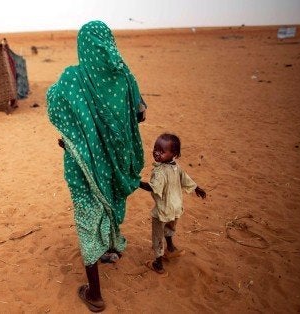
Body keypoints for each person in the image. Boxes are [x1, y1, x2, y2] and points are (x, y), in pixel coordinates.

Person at [46, 20, 146, 312]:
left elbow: (54, 105)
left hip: (84, 165)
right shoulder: (126, 78)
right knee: (111, 200)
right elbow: (139, 114)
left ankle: (95, 293)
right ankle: (111, 250)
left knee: (88, 218)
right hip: (116, 162)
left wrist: (81, 138)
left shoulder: (72, 79)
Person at [139, 133, 207, 275]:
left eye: (162, 151)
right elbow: (186, 179)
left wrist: (136, 183)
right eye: (155, 149)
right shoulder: (176, 166)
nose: (157, 153)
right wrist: (197, 188)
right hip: (176, 208)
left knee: (157, 235)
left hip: (163, 210)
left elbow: (152, 187)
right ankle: (170, 248)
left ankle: (158, 263)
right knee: (170, 227)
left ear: (174, 154)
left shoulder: (160, 172)